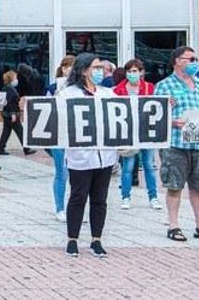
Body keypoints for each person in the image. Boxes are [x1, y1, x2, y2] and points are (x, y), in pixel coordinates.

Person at [60, 53, 117, 258]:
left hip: (105, 156)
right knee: (78, 196)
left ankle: (96, 239)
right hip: (81, 156)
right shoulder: (68, 94)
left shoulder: (108, 93)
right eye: (95, 67)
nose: (99, 71)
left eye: (101, 67)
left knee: (100, 199)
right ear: (84, 70)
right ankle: (72, 239)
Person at [153, 46, 199, 242]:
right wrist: (172, 121)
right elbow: (155, 114)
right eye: (190, 59)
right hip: (175, 143)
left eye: (195, 59)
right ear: (177, 61)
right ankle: (173, 225)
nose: (194, 62)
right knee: (174, 185)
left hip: (198, 143)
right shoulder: (165, 86)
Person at [112, 59, 162, 211]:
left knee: (149, 165)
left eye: (135, 71)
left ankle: (153, 197)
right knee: (128, 166)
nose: (132, 74)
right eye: (129, 71)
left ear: (141, 72)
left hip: (146, 132)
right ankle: (125, 196)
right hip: (127, 132)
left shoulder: (149, 88)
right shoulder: (118, 90)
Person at [45, 55, 74, 222]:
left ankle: (74, 207)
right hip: (59, 135)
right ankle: (60, 207)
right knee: (61, 172)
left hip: (76, 135)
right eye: (67, 66)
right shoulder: (52, 87)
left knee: (78, 175)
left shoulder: (81, 88)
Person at [0, 70, 35, 156]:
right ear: (11, 79)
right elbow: (9, 102)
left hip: (7, 114)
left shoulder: (6, 88)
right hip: (12, 114)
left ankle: (0, 148)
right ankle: (26, 149)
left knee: (6, 132)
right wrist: (13, 113)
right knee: (20, 131)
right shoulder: (10, 89)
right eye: (15, 78)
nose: (16, 80)